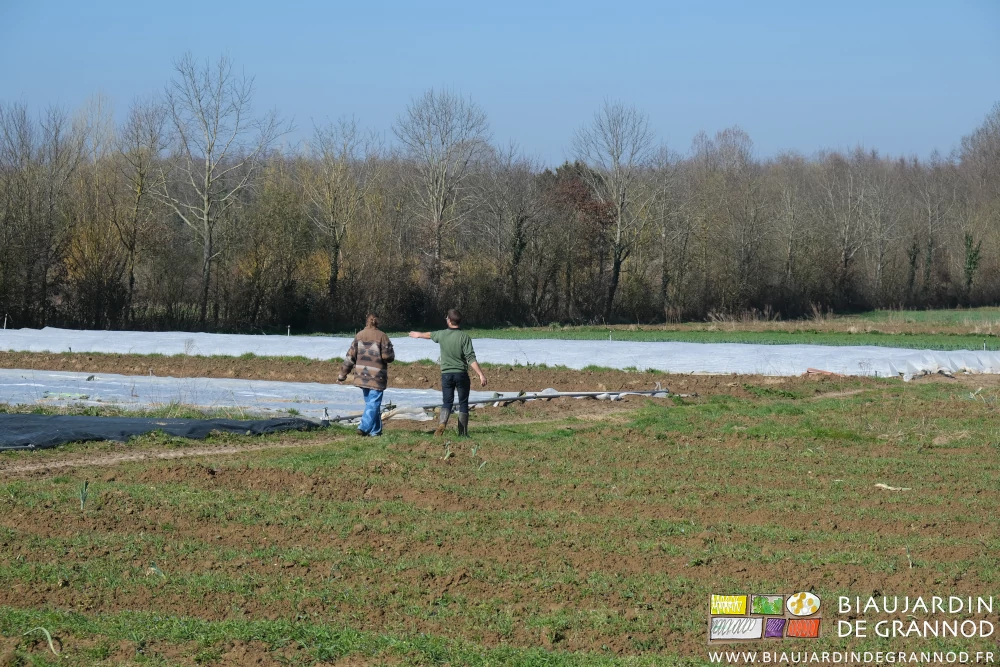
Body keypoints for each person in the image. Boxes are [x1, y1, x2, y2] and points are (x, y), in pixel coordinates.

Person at [408, 308, 487, 437]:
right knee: (463, 403)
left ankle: (442, 423)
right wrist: (480, 374)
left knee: (447, 402)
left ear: (449, 321)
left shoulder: (442, 334)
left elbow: (429, 335)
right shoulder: (464, 337)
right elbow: (470, 358)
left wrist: (418, 334)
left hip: (446, 374)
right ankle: (462, 433)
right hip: (461, 374)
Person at [338, 314, 395, 436]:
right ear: (377, 323)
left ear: (366, 322)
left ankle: (375, 431)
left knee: (371, 403)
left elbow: (350, 357)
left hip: (362, 376)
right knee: (373, 403)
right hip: (377, 376)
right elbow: (388, 357)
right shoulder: (382, 336)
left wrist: (342, 375)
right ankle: (363, 427)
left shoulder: (359, 336)